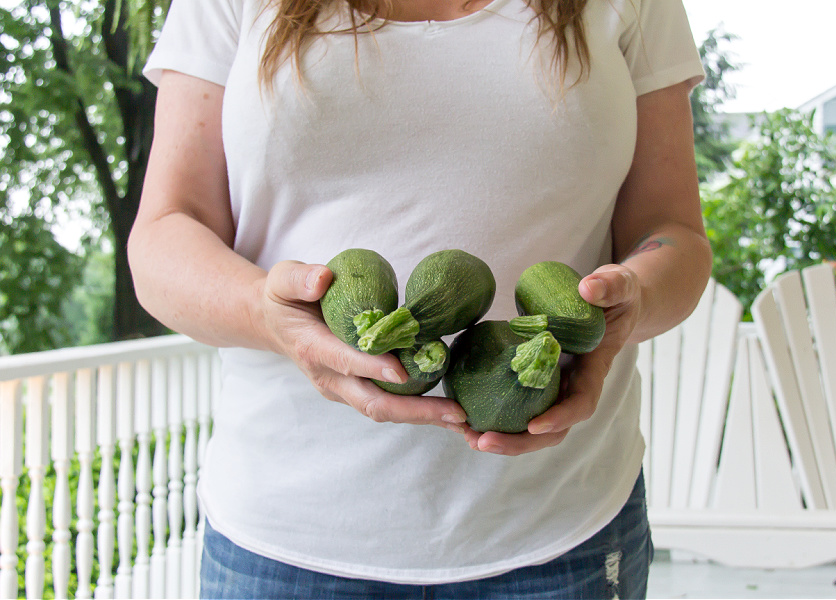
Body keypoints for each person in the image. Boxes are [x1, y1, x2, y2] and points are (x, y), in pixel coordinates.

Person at [129, 0, 712, 596]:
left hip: (560, 529)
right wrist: (263, 311)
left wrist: (633, 297)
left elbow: (676, 236)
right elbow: (163, 237)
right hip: (285, 537)